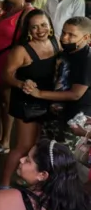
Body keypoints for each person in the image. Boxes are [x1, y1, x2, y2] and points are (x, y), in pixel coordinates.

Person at [0, 9, 59, 188]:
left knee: (39, 146)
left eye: (43, 25)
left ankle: (30, 180)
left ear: (50, 26)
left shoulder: (56, 43)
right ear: (28, 30)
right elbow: (7, 75)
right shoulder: (21, 50)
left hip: (47, 99)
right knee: (23, 146)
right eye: (34, 27)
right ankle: (3, 184)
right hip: (26, 102)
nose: (40, 30)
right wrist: (21, 84)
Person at [0, 0, 39, 156]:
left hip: (10, 62)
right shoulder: (6, 10)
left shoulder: (27, 14)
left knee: (7, 101)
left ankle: (6, 142)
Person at [24, 17, 91, 145]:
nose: (64, 38)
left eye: (71, 35)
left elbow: (75, 94)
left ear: (87, 37)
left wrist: (39, 93)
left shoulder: (87, 60)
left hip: (74, 121)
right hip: (54, 115)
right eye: (64, 32)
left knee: (62, 159)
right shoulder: (64, 53)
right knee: (44, 155)